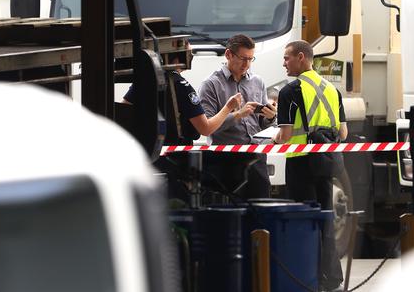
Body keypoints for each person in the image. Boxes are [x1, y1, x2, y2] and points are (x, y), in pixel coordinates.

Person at [271, 40, 347, 292]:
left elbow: (285, 134)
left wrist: (272, 138)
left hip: (300, 163)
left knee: (304, 221)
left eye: (287, 58)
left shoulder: (290, 91)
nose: (284, 63)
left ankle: (308, 276)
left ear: (301, 57)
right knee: (326, 218)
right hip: (326, 162)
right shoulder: (331, 89)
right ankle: (332, 277)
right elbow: (343, 133)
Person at [198, 34, 277, 199]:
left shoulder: (258, 81)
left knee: (261, 211)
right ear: (228, 55)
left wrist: (270, 117)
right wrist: (237, 115)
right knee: (231, 216)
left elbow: (260, 123)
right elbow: (208, 127)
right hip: (226, 161)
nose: (246, 64)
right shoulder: (211, 84)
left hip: (256, 157)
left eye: (250, 59)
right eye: (243, 59)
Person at [121, 45, 242, 143]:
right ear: (178, 59)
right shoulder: (182, 86)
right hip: (176, 157)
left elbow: (123, 112)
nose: (191, 57)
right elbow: (206, 129)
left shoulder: (144, 80)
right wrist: (228, 107)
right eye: (189, 54)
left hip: (148, 151)